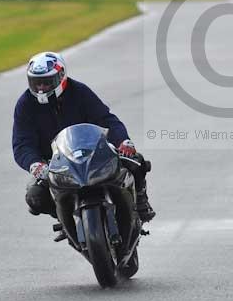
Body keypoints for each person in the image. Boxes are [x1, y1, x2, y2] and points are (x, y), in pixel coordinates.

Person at [12, 51, 156, 223]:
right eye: (36, 83)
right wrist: (34, 164)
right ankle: (65, 219)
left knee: (136, 161)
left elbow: (106, 119)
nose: (41, 88)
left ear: (61, 77)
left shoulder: (79, 91)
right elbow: (22, 143)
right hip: (55, 165)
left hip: (92, 155)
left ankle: (140, 200)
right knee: (35, 198)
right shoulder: (25, 104)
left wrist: (123, 141)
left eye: (46, 82)